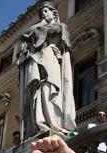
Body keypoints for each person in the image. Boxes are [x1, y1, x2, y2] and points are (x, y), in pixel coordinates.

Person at [18, 1, 76, 136]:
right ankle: (41, 121)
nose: (43, 15)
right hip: (41, 58)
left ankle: (54, 122)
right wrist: (42, 23)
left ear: (53, 12)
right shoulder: (40, 26)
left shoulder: (61, 27)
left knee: (51, 87)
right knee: (40, 87)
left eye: (45, 11)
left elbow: (53, 32)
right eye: (41, 13)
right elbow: (25, 35)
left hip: (52, 60)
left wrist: (43, 26)